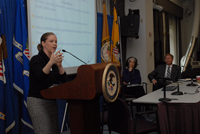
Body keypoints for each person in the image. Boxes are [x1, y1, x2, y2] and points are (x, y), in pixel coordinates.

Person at [27, 32, 68, 134]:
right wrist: (50, 63)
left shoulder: (54, 62)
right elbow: (40, 77)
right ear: (43, 43)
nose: (55, 44)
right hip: (37, 102)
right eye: (51, 41)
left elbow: (65, 80)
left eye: (56, 42)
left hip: (51, 102)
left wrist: (59, 66)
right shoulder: (36, 59)